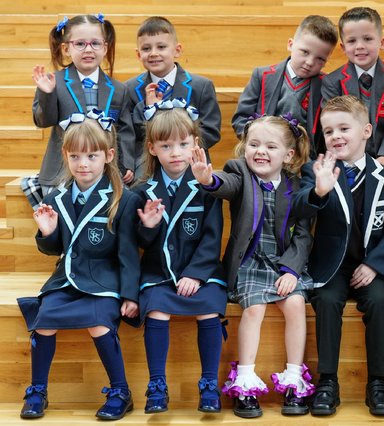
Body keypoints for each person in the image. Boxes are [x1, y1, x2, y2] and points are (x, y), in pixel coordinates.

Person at [16, 112, 140, 420]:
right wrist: (47, 232)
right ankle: (38, 389)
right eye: (75, 156)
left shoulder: (123, 199)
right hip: (65, 279)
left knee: (99, 325)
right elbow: (53, 249)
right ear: (65, 157)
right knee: (43, 323)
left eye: (91, 155)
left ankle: (121, 390)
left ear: (108, 156)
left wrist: (130, 295)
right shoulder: (57, 196)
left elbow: (127, 253)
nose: (83, 163)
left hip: (104, 281)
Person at [191, 114, 315, 418]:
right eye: (254, 144)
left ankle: (293, 379)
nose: (260, 151)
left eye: (270, 146)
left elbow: (303, 235)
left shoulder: (296, 185)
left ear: (288, 156)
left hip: (283, 263)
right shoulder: (240, 172)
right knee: (255, 308)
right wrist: (208, 180)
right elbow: (226, 184)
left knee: (296, 303)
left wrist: (291, 270)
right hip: (250, 262)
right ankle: (245, 381)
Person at [293, 95, 384, 416]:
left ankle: (377, 382)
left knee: (377, 301)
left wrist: (375, 264)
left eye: (344, 128)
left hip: (373, 266)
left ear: (367, 131)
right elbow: (300, 209)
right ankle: (328, 380)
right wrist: (319, 189)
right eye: (329, 132)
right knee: (327, 301)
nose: (336, 137)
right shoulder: (317, 171)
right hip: (333, 266)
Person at [132, 100, 227, 414]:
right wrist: (148, 227)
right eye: (166, 145)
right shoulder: (143, 191)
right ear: (152, 148)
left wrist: (196, 274)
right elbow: (141, 242)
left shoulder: (207, 187)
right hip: (158, 272)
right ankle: (157, 385)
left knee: (210, 311)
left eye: (183, 144)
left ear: (195, 145)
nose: (175, 152)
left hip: (201, 273)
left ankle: (209, 384)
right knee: (157, 310)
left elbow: (213, 238)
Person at [24, 13, 135, 209]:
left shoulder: (119, 89)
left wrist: (127, 163)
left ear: (105, 47)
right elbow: (42, 120)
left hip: (105, 169)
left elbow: (126, 131)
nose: (88, 49)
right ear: (66, 48)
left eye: (95, 43)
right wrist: (47, 94)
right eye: (80, 44)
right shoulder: (52, 82)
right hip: (63, 169)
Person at [321, 7, 384, 185]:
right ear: (343, 47)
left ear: (381, 42)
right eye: (352, 41)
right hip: (346, 156)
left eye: (368, 39)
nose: (360, 46)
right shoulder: (332, 82)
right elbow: (332, 124)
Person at [126, 16, 222, 176]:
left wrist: (182, 149)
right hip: (147, 167)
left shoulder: (201, 86)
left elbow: (211, 131)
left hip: (191, 164)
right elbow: (131, 134)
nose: (153, 53)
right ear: (138, 54)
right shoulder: (129, 88)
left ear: (177, 50)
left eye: (161, 47)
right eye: (146, 49)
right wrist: (149, 111)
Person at [232, 15, 338, 158]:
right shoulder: (262, 75)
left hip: (304, 160)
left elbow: (329, 128)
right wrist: (256, 142)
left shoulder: (326, 85)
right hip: (261, 156)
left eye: (320, 59)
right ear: (290, 44)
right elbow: (241, 118)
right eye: (305, 52)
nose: (309, 62)